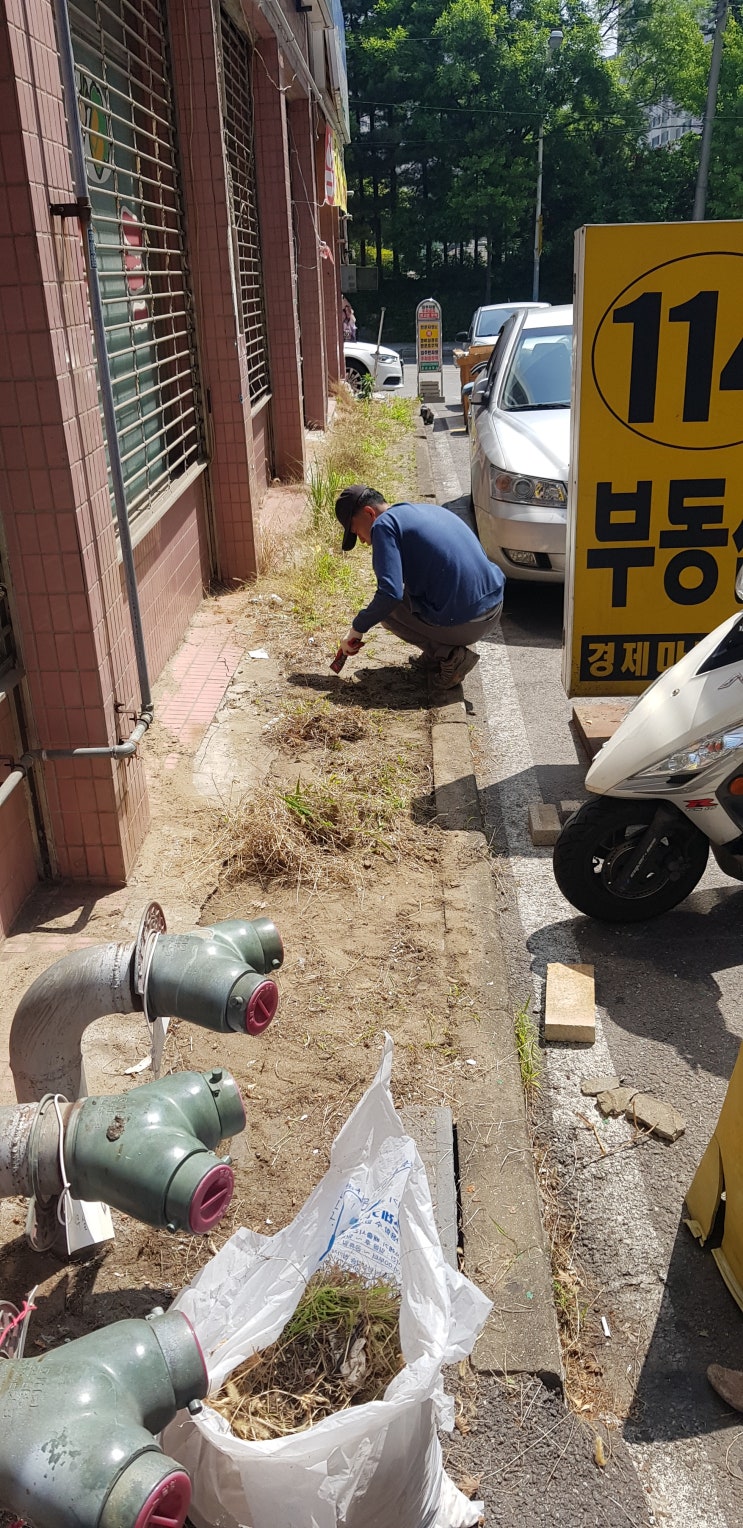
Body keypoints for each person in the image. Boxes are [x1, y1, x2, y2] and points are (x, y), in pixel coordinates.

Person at [334, 485, 505, 689]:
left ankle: (450, 656)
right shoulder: (417, 511)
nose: (362, 541)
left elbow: (389, 594)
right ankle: (435, 656)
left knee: (387, 611)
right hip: (494, 606)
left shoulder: (383, 525)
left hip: (470, 620)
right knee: (406, 594)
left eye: (356, 532)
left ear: (369, 513)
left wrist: (357, 629)